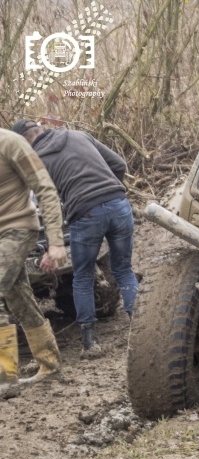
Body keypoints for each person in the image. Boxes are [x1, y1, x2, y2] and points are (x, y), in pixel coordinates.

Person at [15, 120, 138, 356]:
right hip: (120, 205)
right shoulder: (79, 135)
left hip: (86, 214)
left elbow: (44, 205)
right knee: (124, 270)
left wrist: (51, 245)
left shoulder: (35, 161)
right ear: (40, 130)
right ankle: (141, 329)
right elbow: (119, 164)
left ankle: (90, 344)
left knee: (82, 277)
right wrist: (110, 192)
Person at [0, 126, 67, 399]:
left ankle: (5, 380)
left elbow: (45, 189)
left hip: (17, 228)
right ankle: (49, 363)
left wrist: (56, 241)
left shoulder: (11, 143)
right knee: (18, 299)